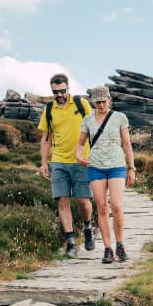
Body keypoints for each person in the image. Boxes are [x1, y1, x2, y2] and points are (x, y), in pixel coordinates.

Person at [75, 85, 136, 264]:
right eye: (97, 102)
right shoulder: (87, 120)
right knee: (102, 207)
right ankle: (107, 249)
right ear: (93, 102)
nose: (101, 105)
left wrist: (131, 168)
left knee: (116, 206)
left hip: (117, 166)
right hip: (95, 167)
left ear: (109, 99)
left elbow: (127, 144)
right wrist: (79, 155)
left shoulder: (119, 118)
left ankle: (120, 245)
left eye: (103, 101)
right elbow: (80, 144)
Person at [38, 73, 95, 257]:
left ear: (68, 88)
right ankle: (70, 243)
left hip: (81, 161)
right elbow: (45, 139)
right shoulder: (49, 110)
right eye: (56, 92)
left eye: (62, 91)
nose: (60, 95)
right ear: (52, 91)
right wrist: (44, 163)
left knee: (83, 201)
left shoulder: (81, 104)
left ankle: (87, 227)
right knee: (62, 201)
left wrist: (95, 155)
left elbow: (94, 129)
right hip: (59, 162)